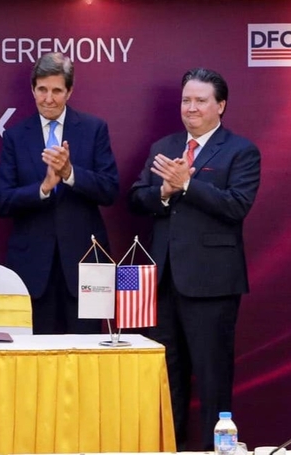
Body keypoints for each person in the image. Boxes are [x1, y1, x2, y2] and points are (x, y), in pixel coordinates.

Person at [129, 68, 260, 450]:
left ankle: (210, 450)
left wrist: (187, 184)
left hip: (212, 285)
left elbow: (237, 206)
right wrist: (165, 192)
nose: (191, 107)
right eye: (186, 100)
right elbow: (137, 198)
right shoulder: (163, 146)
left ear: (220, 105)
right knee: (166, 378)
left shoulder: (241, 150)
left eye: (200, 100)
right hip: (164, 282)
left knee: (212, 378)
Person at [0, 52, 119, 335]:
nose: (48, 98)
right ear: (33, 89)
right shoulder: (15, 136)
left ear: (69, 91)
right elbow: (1, 201)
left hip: (86, 266)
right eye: (42, 90)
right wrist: (43, 188)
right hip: (33, 267)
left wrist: (70, 174)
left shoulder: (93, 129)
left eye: (57, 91)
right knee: (37, 362)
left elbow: (110, 190)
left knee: (87, 359)